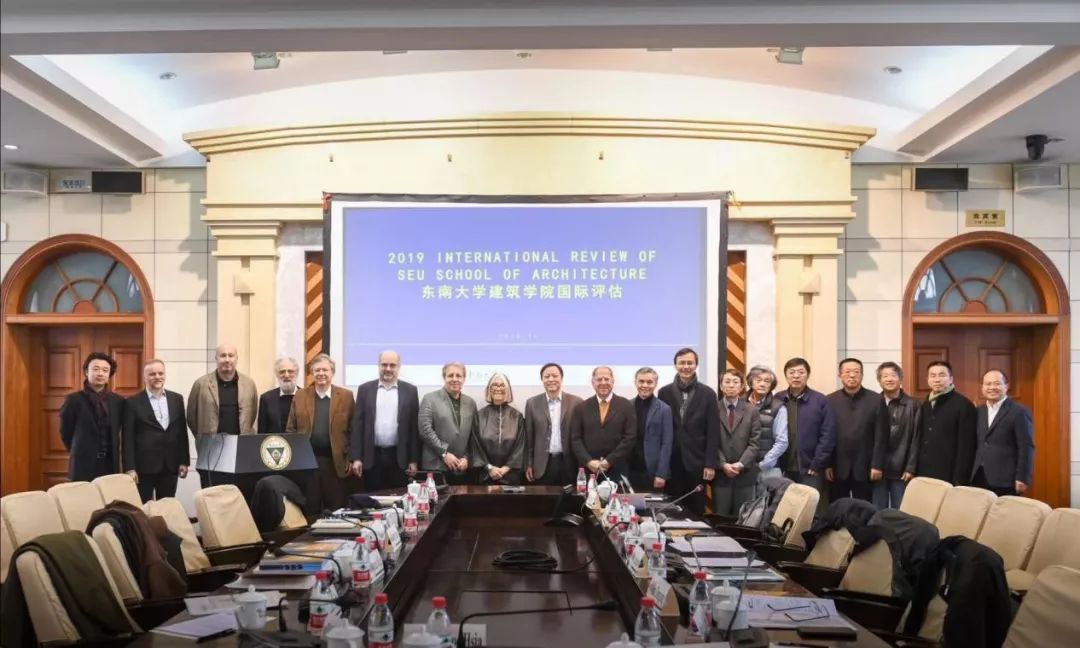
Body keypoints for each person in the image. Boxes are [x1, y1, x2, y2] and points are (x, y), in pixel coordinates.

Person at [286, 353, 356, 513]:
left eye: (325, 370)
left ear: (332, 372)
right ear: (312, 373)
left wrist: (351, 457)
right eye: (317, 370)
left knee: (336, 509)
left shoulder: (346, 396)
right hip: (308, 464)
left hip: (336, 463)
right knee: (311, 508)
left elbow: (354, 430)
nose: (321, 373)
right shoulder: (301, 395)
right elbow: (290, 429)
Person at [657, 348, 720, 516]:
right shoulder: (664, 392)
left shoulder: (708, 393)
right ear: (675, 365)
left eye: (690, 363)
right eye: (682, 363)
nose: (686, 366)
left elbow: (713, 431)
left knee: (696, 508)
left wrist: (710, 464)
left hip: (697, 461)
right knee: (671, 509)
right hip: (672, 460)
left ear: (696, 365)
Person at [187, 344, 259, 487]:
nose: (227, 359)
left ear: (237, 358)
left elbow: (252, 413)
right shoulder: (201, 384)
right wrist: (203, 436)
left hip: (240, 451)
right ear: (216, 358)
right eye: (223, 355)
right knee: (212, 492)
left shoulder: (249, 384)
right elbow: (191, 417)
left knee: (239, 492)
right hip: (211, 450)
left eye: (231, 355)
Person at [350, 350, 420, 492]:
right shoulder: (365, 389)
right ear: (378, 365)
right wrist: (356, 458)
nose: (388, 369)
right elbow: (358, 426)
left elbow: (414, 428)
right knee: (373, 499)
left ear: (399, 367)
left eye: (392, 365)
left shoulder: (410, 391)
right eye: (384, 364)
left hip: (399, 458)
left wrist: (413, 460)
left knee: (399, 499)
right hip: (372, 457)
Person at [122, 359, 189, 502]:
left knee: (166, 507)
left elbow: (181, 432)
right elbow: (127, 438)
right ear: (144, 377)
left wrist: (184, 461)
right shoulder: (132, 402)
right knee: (143, 507)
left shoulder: (177, 399)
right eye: (152, 374)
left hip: (170, 465)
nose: (157, 377)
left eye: (160, 373)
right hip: (143, 467)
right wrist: (130, 468)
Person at [777, 357, 835, 511]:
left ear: (808, 375)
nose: (796, 376)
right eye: (792, 372)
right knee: (785, 509)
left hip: (810, 466)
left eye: (801, 372)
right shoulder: (778, 399)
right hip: (783, 466)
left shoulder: (820, 400)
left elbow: (828, 434)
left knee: (810, 509)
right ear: (786, 375)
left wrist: (817, 463)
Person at [60, 352, 125, 482]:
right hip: (82, 463)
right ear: (86, 372)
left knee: (109, 495)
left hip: (110, 463)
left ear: (109, 375)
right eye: (96, 369)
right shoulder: (73, 400)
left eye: (105, 370)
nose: (100, 373)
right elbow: (66, 432)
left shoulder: (118, 401)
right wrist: (80, 450)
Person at [970, 369, 1034, 496]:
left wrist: (1022, 477)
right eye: (988, 384)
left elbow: (1026, 446)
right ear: (982, 387)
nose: (992, 387)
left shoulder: (1019, 412)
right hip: (978, 476)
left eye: (997, 383)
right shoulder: (978, 411)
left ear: (1006, 386)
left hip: (1005, 479)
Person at [912, 360, 977, 486]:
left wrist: (959, 479)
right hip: (924, 471)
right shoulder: (925, 403)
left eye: (942, 375)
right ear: (927, 379)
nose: (937, 379)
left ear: (951, 378)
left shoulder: (964, 405)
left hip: (949, 474)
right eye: (933, 376)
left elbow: (966, 447)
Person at [826, 358, 880, 503]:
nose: (852, 375)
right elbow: (827, 435)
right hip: (837, 466)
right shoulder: (830, 400)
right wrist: (827, 464)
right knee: (838, 507)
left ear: (862, 375)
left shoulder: (876, 400)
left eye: (856, 372)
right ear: (840, 375)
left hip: (866, 466)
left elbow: (881, 436)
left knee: (864, 508)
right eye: (847, 372)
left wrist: (877, 465)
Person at [570, 366, 636, 482]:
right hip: (589, 471)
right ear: (593, 382)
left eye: (607, 379)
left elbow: (630, 437)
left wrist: (609, 461)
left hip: (617, 470)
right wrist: (588, 461)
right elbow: (575, 439)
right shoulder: (581, 408)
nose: (603, 383)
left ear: (613, 381)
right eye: (599, 379)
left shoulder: (626, 405)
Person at [419, 362, 478, 485]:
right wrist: (444, 453)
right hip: (436, 467)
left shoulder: (471, 403)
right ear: (444, 377)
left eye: (458, 376)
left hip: (461, 467)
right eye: (450, 375)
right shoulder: (429, 399)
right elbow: (425, 430)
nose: (454, 379)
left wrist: (467, 458)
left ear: (464, 379)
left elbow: (474, 435)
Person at [524, 362, 583, 486]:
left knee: (570, 498)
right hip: (543, 464)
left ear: (561, 378)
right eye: (547, 376)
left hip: (569, 463)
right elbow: (529, 438)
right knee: (543, 498)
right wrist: (528, 464)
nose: (551, 379)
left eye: (555, 376)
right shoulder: (532, 403)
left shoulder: (576, 402)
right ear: (542, 380)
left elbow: (581, 436)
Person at [871, 362, 920, 508]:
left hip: (901, 468)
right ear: (879, 380)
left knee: (900, 510)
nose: (889, 379)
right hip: (877, 468)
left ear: (901, 378)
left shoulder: (913, 405)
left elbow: (916, 437)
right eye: (885, 376)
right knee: (877, 510)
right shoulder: (872, 402)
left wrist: (910, 467)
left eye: (893, 375)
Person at [714, 369, 761, 515]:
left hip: (745, 473)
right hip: (721, 473)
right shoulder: (713, 408)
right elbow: (710, 441)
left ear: (741, 387)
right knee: (720, 517)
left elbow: (755, 443)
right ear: (721, 386)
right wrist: (723, 464)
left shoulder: (751, 410)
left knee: (742, 518)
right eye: (727, 382)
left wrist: (740, 464)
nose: (731, 385)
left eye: (735, 382)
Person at [471, 373, 526, 485]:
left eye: (502, 385)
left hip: (511, 475)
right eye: (495, 385)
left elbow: (521, 446)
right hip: (485, 475)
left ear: (508, 390)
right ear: (489, 390)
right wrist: (489, 468)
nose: (498, 388)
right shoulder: (479, 416)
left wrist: (506, 468)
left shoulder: (517, 416)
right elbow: (475, 445)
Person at [626, 367, 673, 492]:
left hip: (653, 471)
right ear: (635, 382)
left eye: (649, 382)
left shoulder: (664, 409)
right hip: (629, 470)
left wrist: (661, 473)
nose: (645, 385)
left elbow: (667, 443)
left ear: (655, 384)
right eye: (641, 381)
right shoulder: (626, 406)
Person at [746, 365, 788, 484]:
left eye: (767, 381)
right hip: (742, 467)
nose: (762, 384)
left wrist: (764, 464)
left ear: (771, 385)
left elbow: (782, 441)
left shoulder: (778, 407)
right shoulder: (740, 403)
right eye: (758, 380)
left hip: (768, 467)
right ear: (751, 382)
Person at [258, 357, 299, 435]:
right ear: (277, 374)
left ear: (296, 373)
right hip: (274, 442)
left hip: (299, 442)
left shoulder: (305, 397)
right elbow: (261, 433)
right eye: (282, 372)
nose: (286, 375)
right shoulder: (266, 399)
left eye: (290, 371)